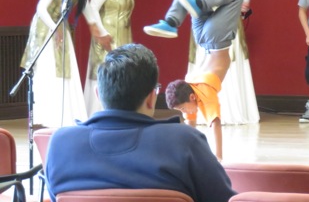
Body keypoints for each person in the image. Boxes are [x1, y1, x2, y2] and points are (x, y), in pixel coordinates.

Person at [45, 44, 236, 202]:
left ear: (98, 95)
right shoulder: (185, 142)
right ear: (152, 97)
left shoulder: (61, 143)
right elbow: (224, 199)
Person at [20, 0, 110, 127]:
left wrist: (98, 30)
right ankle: (50, 117)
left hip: (61, 26)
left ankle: (69, 115)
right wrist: (55, 29)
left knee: (67, 69)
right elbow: (41, 8)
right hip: (46, 27)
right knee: (51, 70)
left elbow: (86, 7)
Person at [180, 0, 259, 125]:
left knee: (227, 65)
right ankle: (201, 110)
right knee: (206, 65)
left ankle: (233, 114)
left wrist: (238, 7)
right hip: (204, 25)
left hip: (228, 25)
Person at [143, 0, 246, 97]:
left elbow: (196, 103)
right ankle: (182, 15)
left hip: (213, 38)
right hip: (211, 38)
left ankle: (173, 21)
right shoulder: (201, 86)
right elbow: (205, 104)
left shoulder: (196, 83)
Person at [84, 0, 136, 116]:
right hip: (107, 37)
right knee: (106, 74)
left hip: (124, 37)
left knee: (123, 73)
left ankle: (121, 113)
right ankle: (99, 113)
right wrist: (102, 34)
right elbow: (92, 7)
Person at [166, 74, 223, 159]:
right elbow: (190, 125)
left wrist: (218, 158)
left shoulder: (205, 92)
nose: (183, 112)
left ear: (192, 97)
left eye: (183, 108)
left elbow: (216, 123)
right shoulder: (187, 92)